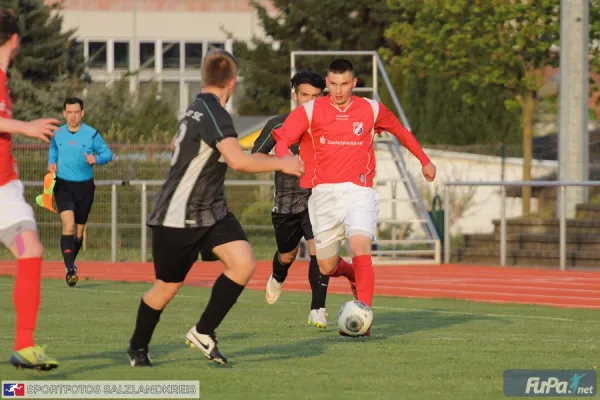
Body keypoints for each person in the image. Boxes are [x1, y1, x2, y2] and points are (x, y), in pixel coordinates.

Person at [126, 49, 304, 367]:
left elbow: (206, 150)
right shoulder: (212, 112)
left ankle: (203, 330)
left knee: (243, 262)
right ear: (232, 83)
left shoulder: (198, 107)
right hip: (177, 215)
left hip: (210, 210)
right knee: (166, 288)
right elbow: (237, 160)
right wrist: (284, 163)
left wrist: (275, 159)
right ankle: (138, 347)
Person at [273, 59, 437, 337]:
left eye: (344, 84)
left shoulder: (371, 109)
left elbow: (400, 130)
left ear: (354, 83)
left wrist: (424, 160)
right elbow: (282, 139)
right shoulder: (310, 111)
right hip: (323, 196)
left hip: (358, 191)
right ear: (326, 83)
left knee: (360, 245)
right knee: (326, 265)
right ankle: (350, 275)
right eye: (333, 84)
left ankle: (363, 319)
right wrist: (285, 158)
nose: (338, 90)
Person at [0, 7, 60, 370]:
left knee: (31, 248)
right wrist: (25, 126)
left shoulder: (3, 78)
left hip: (4, 187)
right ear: (16, 40)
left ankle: (24, 345)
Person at [252, 71, 330, 328]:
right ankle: (277, 275)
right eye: (304, 95)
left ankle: (318, 308)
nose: (309, 101)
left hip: (317, 198)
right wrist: (282, 162)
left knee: (320, 248)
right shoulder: (277, 125)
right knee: (288, 254)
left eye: (316, 97)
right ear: (295, 95)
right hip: (286, 203)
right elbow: (254, 158)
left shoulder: (328, 125)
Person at [47, 97, 113, 287]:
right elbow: (53, 149)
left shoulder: (91, 134)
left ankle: (71, 263)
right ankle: (69, 270)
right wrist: (51, 162)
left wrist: (96, 159)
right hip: (63, 185)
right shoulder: (58, 133)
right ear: (64, 113)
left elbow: (108, 153)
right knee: (68, 226)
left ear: (82, 113)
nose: (73, 116)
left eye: (76, 112)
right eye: (69, 112)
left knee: (78, 233)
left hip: (85, 187)